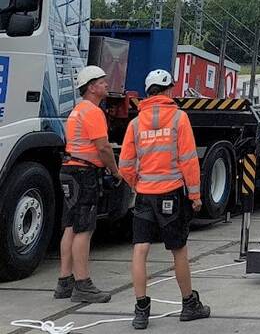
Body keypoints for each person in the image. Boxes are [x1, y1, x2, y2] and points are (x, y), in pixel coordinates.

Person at [119, 69, 210, 329]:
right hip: (171, 194)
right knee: (178, 249)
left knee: (140, 250)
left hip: (145, 194)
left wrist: (139, 183)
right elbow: (189, 160)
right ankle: (189, 305)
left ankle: (141, 310)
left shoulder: (135, 124)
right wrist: (194, 195)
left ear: (148, 92)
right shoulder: (179, 119)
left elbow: (125, 164)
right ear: (169, 90)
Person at [55, 64, 121, 303]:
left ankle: (65, 282)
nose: (106, 85)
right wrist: (116, 172)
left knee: (71, 226)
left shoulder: (76, 111)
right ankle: (83, 285)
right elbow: (103, 147)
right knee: (85, 228)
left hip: (70, 170)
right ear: (92, 88)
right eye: (102, 82)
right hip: (84, 172)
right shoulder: (93, 112)